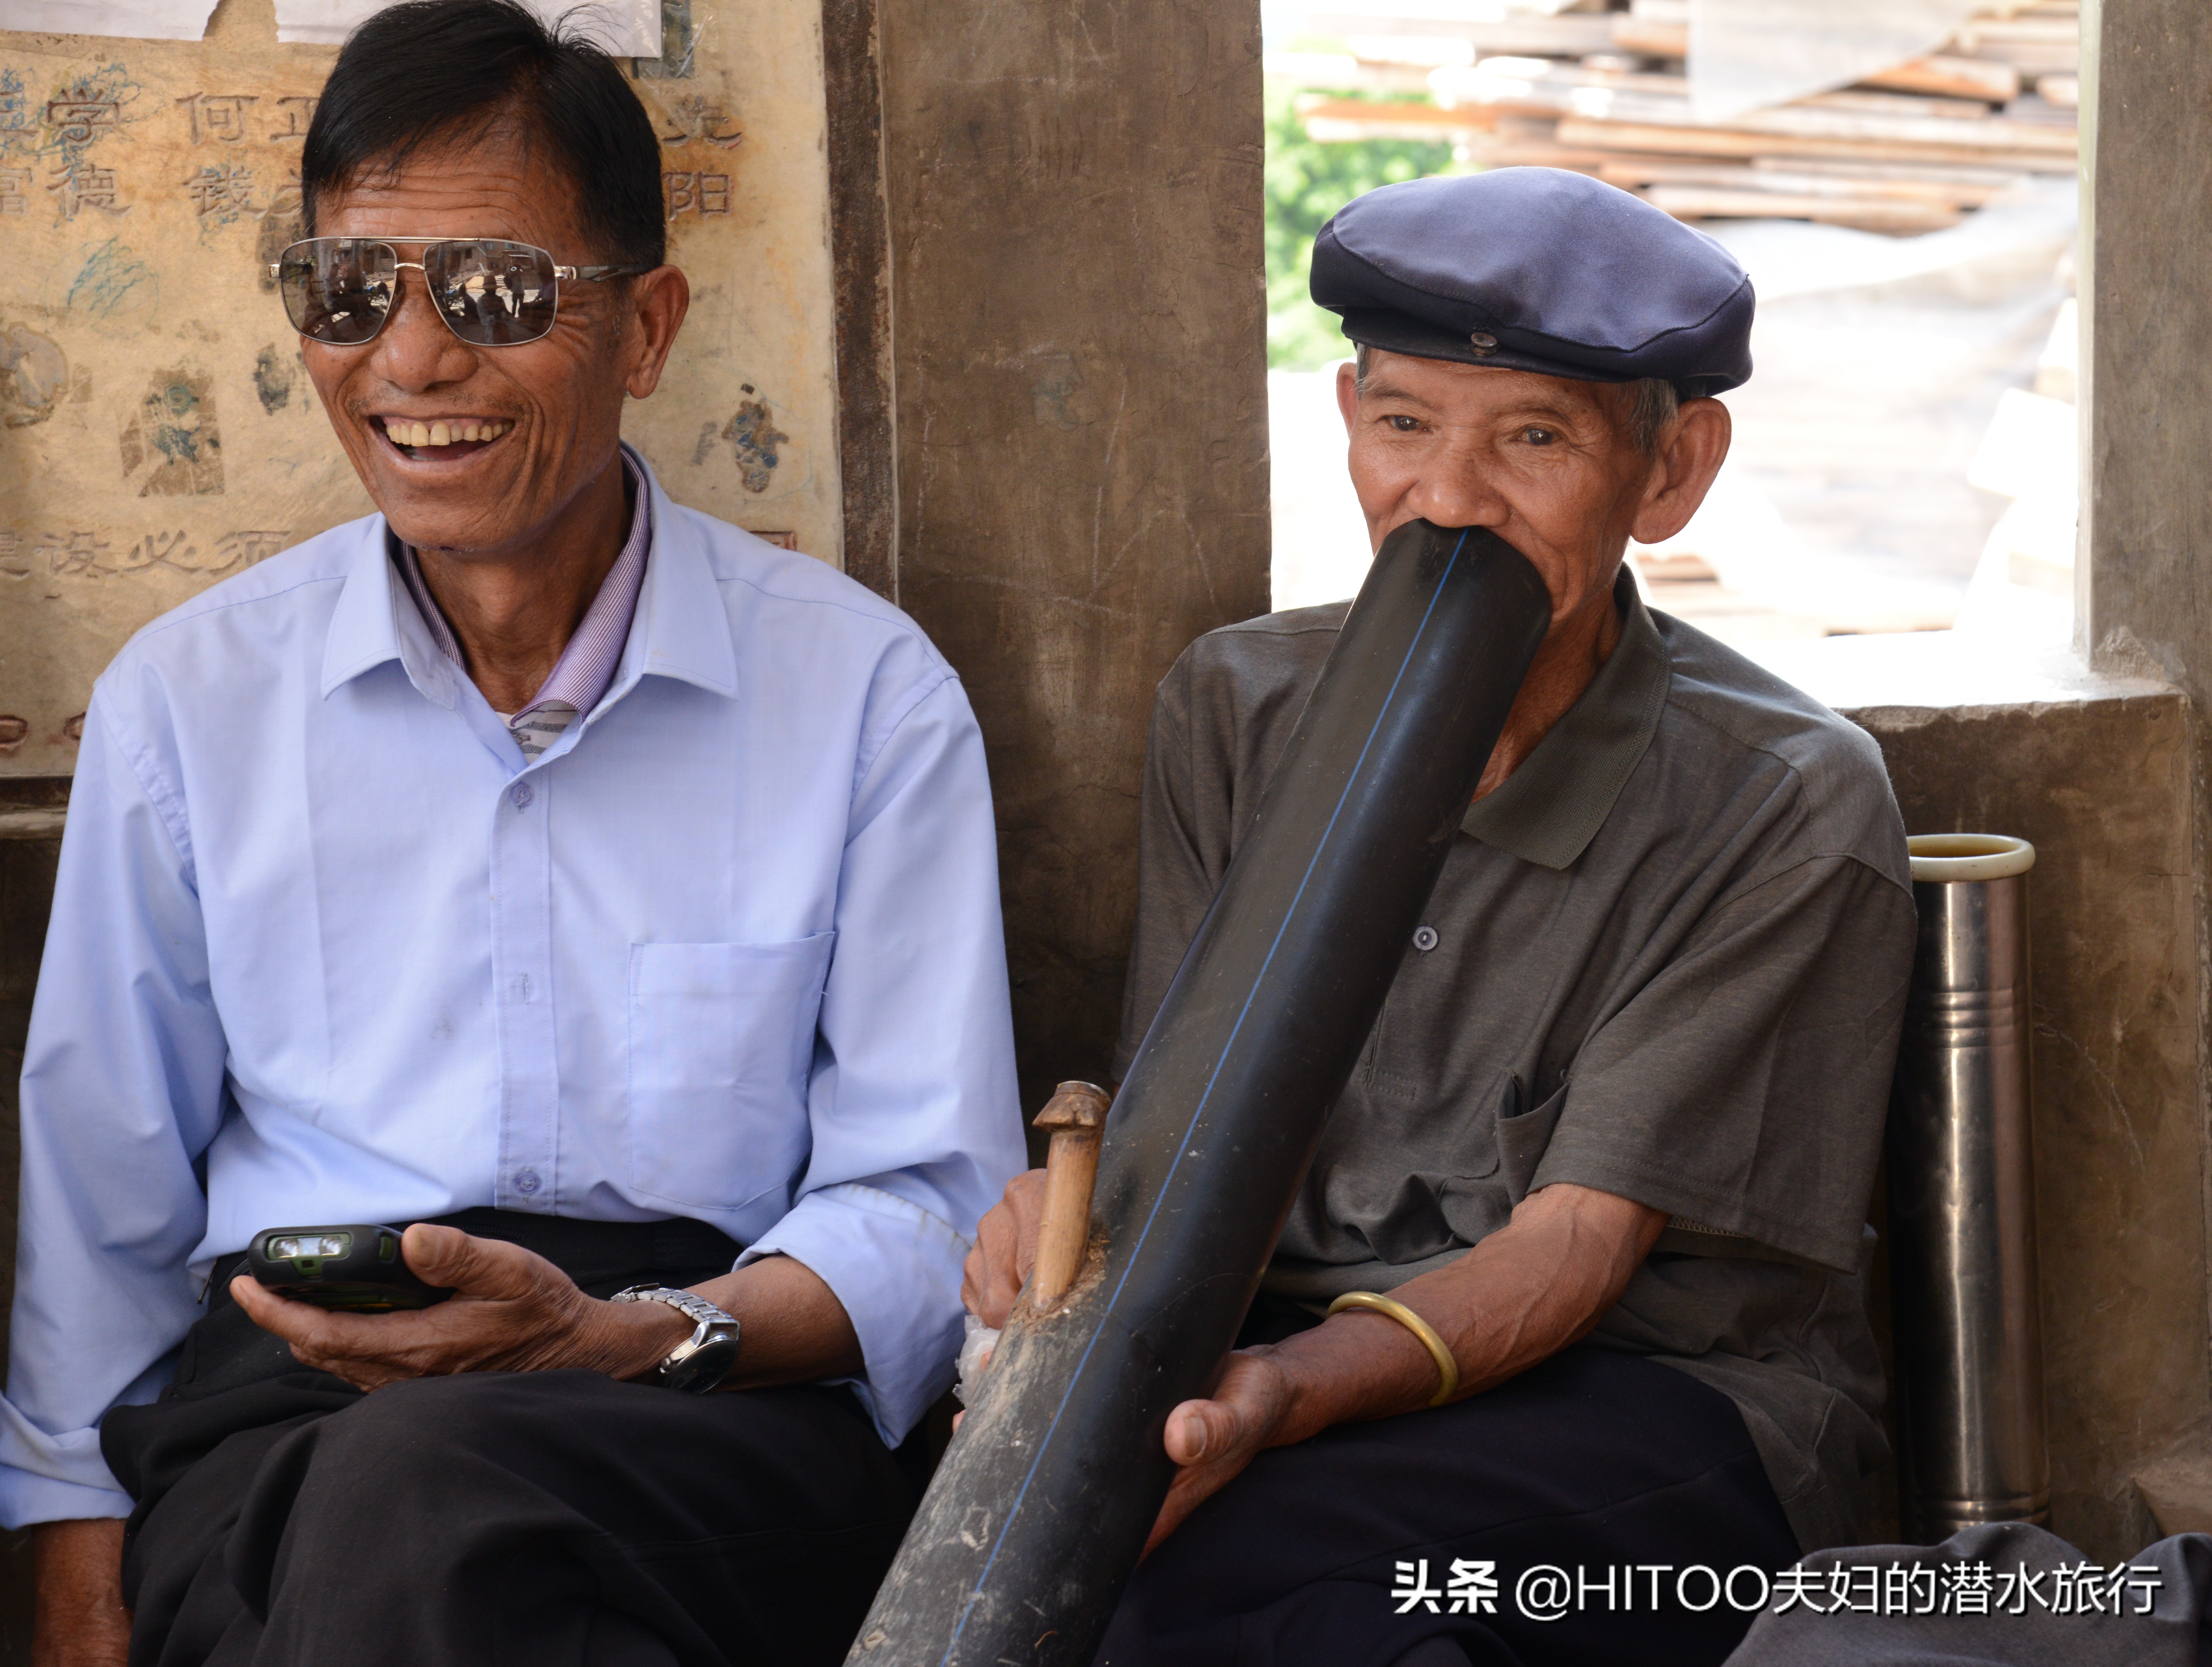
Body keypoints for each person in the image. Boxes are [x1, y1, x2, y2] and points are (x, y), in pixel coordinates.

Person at [3, 4, 1024, 1663]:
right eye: (351, 293)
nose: (409, 363)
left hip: (711, 1392)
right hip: (282, 1406)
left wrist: (624, 1339)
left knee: (415, 1512)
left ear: (647, 326)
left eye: (492, 292)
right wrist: (66, 1547)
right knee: (409, 1524)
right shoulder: (191, 703)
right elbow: (101, 1192)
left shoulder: (860, 696)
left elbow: (927, 1202)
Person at [962, 168, 1917, 1666]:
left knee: (1262, 1600)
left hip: (1655, 1410)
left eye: (1534, 439)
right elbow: (1206, 1134)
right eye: (1404, 425)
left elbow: (1578, 1255)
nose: (1450, 498)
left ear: (1670, 473)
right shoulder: (1240, 706)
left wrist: (1280, 1398)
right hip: (1273, 1362)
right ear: (1350, 424)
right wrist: (1088, 1260)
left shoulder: (1782, 797)